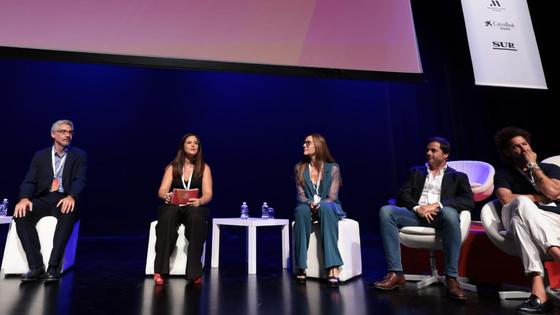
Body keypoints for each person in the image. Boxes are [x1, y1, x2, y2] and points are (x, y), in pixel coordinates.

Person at [372, 137, 474, 301]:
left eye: (433, 150)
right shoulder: (416, 172)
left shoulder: (458, 176)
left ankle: (451, 278)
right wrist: (418, 208)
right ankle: (396, 273)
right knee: (386, 211)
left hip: (441, 216)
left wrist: (437, 205)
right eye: (427, 150)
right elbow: (402, 195)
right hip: (416, 215)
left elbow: (467, 200)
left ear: (445, 154)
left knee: (450, 213)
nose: (428, 153)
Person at [493, 127, 560, 314]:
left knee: (520, 222)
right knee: (521, 205)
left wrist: (533, 166)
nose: (523, 149)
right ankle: (556, 252)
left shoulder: (549, 168)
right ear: (507, 152)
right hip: (520, 213)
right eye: (516, 147)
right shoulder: (503, 173)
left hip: (552, 219)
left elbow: (553, 192)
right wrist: (540, 197)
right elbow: (506, 199)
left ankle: (538, 293)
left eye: (525, 144)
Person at [13, 119, 87, 282]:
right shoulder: (40, 155)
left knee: (68, 213)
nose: (68, 135)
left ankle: (53, 267)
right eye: (63, 131)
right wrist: (24, 198)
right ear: (53, 134)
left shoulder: (79, 155)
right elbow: (29, 180)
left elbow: (80, 179)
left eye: (70, 132)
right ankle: (36, 266)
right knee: (21, 215)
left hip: (64, 198)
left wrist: (72, 196)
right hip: (43, 198)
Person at [153, 133, 213, 286]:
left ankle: (194, 272)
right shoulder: (173, 167)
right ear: (183, 147)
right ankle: (160, 270)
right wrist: (166, 196)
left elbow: (208, 194)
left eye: (196, 143)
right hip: (174, 205)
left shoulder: (204, 168)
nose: (193, 145)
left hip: (193, 207)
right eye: (189, 142)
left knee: (196, 217)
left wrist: (200, 201)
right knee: (168, 215)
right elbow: (161, 190)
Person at [293, 133, 346, 287]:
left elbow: (333, 196)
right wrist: (310, 203)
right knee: (301, 211)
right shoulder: (300, 168)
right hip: (307, 205)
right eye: (304, 142)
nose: (304, 145)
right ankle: (301, 266)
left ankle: (333, 266)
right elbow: (301, 196)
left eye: (308, 143)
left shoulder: (333, 168)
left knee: (326, 208)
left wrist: (320, 204)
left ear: (318, 145)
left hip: (328, 205)